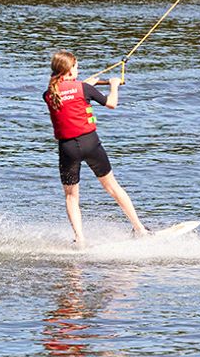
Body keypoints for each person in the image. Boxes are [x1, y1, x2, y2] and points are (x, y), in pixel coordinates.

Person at [43, 49, 148, 246]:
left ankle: (79, 239)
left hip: (67, 149)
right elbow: (111, 104)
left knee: (71, 196)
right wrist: (114, 85)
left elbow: (69, 93)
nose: (78, 70)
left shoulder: (48, 94)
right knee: (112, 187)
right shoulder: (83, 88)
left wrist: (85, 85)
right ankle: (140, 229)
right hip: (90, 144)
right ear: (69, 70)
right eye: (76, 67)